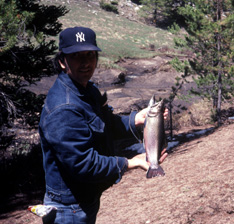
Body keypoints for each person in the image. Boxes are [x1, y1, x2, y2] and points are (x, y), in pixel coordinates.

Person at [39, 26, 168, 224]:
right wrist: (129, 162)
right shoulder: (63, 108)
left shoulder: (87, 90)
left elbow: (106, 124)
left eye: (90, 55)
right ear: (62, 61)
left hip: (84, 200)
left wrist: (137, 120)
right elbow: (83, 163)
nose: (85, 62)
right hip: (68, 210)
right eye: (77, 56)